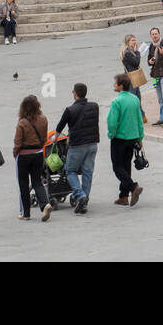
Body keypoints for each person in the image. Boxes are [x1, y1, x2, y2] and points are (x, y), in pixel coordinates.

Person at [54, 83, 101, 214]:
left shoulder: (70, 110)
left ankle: (80, 196)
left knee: (70, 171)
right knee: (87, 172)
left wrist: (55, 141)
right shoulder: (94, 106)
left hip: (77, 146)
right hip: (92, 144)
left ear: (75, 93)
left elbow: (59, 128)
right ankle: (83, 204)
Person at [13, 94, 53, 222]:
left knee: (23, 184)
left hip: (24, 155)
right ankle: (45, 204)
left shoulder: (22, 122)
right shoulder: (43, 119)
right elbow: (45, 139)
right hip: (38, 154)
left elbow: (17, 142)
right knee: (37, 181)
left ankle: (26, 213)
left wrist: (16, 154)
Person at [108, 74, 145, 207]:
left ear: (121, 86)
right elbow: (139, 120)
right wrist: (140, 137)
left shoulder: (116, 102)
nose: (114, 85)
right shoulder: (135, 99)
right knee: (126, 165)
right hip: (132, 138)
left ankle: (132, 187)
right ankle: (123, 196)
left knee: (117, 167)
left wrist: (111, 134)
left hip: (119, 138)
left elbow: (112, 123)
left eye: (115, 83)